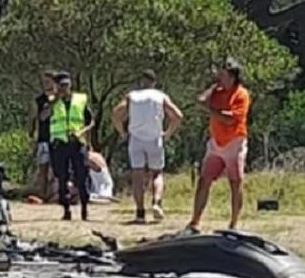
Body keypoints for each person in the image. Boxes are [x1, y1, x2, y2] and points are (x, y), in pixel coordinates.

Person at [185, 58, 251, 233]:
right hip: (216, 141)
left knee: (235, 182)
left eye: (223, 74)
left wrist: (210, 110)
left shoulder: (241, 94)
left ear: (232, 76)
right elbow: (199, 100)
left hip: (234, 141)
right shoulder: (217, 91)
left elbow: (230, 119)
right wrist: (212, 87)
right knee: (204, 180)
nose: (219, 77)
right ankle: (195, 222)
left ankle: (234, 224)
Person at [111, 69, 184, 223]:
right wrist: (168, 133)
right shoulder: (160, 96)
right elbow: (178, 116)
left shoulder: (132, 96)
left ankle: (140, 213)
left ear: (141, 82)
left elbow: (116, 113)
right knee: (157, 173)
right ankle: (156, 202)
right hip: (155, 138)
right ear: (154, 82)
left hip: (136, 139)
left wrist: (122, 132)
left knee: (137, 175)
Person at [49, 71, 95, 221]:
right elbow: (42, 116)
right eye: (61, 86)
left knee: (81, 176)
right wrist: (54, 100)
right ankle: (66, 210)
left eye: (66, 85)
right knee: (62, 177)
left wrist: (82, 132)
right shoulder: (52, 101)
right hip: (60, 144)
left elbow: (91, 121)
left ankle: (84, 209)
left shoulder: (80, 100)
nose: (64, 89)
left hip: (77, 143)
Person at [29, 71, 57, 199]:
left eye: (48, 81)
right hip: (44, 138)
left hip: (58, 137)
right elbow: (38, 117)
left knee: (58, 167)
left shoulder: (61, 98)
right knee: (43, 168)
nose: (46, 84)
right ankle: (42, 193)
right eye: (44, 82)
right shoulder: (39, 100)